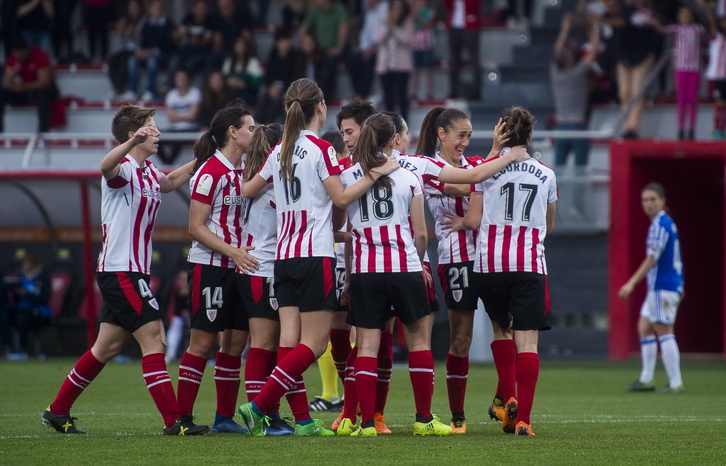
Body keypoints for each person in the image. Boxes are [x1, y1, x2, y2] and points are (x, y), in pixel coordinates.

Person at [237, 77, 400, 437]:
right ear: (321, 108)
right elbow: (341, 199)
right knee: (316, 344)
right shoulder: (320, 150)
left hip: (283, 257)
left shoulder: (279, 149)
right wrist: (377, 172)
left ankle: (302, 422)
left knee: (289, 343)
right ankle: (260, 405)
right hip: (315, 255)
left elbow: (248, 189)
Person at [41, 105, 207, 436]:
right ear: (135, 135)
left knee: (106, 348)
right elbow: (105, 166)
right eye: (151, 127)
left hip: (131, 271)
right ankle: (174, 422)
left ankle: (57, 411)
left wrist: (203, 159)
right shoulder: (125, 167)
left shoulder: (146, 170)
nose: (158, 132)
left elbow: (171, 181)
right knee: (155, 340)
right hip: (121, 271)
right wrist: (131, 144)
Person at [338, 113, 451, 437]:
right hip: (404, 268)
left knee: (368, 347)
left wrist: (348, 277)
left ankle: (367, 423)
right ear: (393, 141)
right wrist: (417, 265)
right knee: (418, 343)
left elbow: (342, 230)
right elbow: (420, 234)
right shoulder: (408, 178)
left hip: (366, 270)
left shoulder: (348, 177)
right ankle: (424, 419)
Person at [454, 106, 556, 437]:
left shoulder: (485, 171)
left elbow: (474, 218)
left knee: (502, 332)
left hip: (490, 265)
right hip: (528, 264)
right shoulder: (547, 174)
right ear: (529, 135)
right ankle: (523, 419)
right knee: (528, 343)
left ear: (503, 133)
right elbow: (548, 227)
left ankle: (506, 400)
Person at [178, 100, 258, 435]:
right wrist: (233, 252)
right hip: (211, 266)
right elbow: (195, 228)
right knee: (202, 343)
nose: (254, 133)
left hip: (241, 266)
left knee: (235, 345)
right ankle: (182, 420)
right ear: (233, 132)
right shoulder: (209, 172)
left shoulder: (247, 172)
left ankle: (223, 418)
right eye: (250, 128)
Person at [237, 123, 296, 435]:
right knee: (263, 345)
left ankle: (269, 413)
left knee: (270, 346)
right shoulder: (274, 185)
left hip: (260, 268)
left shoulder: (258, 180)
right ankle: (260, 416)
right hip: (264, 269)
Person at [618, 183, 684, 394]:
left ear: (663, 200)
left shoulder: (660, 225)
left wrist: (631, 283)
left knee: (664, 331)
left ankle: (675, 382)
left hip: (662, 287)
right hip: (665, 286)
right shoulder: (665, 223)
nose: (648, 203)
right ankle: (647, 378)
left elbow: (652, 259)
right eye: (645, 200)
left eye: (652, 199)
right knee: (644, 327)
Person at [308, 130, 348, 414]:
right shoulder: (343, 170)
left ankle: (335, 394)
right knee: (344, 327)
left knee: (337, 326)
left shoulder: (335, 172)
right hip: (342, 254)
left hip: (335, 253)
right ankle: (336, 395)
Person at [551, 12, 600, 220]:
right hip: (578, 129)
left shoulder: (556, 73)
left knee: (557, 175)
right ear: (570, 60)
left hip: (561, 129)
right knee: (581, 172)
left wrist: (564, 29)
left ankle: (555, 212)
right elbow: (594, 51)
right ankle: (577, 209)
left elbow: (557, 52)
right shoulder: (577, 71)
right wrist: (596, 26)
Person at [650, 3, 708, 140]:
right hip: (681, 69)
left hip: (694, 69)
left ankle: (692, 129)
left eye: (687, 15)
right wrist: (652, 21)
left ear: (692, 17)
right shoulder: (676, 29)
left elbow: (708, 34)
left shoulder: (697, 29)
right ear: (679, 17)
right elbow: (662, 29)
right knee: (682, 100)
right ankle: (681, 129)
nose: (685, 17)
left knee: (693, 100)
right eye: (682, 15)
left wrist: (705, 10)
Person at [0, 250, 52, 360]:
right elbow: (16, 299)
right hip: (22, 308)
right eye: (24, 263)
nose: (24, 265)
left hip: (38, 311)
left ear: (34, 263)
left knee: (21, 318)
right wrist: (15, 292)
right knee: (4, 316)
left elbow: (44, 298)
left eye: (27, 263)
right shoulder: (20, 277)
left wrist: (26, 294)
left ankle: (23, 350)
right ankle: (7, 348)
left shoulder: (42, 277)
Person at [0, 37, 59, 133]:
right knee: (1, 93)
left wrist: (23, 86)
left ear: (28, 49)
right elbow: (6, 82)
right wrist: (15, 87)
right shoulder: (14, 57)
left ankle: (43, 131)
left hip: (42, 90)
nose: (20, 56)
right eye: (18, 53)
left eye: (22, 53)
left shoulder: (40, 55)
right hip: (26, 91)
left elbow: (44, 81)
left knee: (43, 94)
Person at [127, 0, 177, 101]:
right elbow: (144, 42)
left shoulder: (168, 23)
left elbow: (169, 45)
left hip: (164, 55)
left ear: (162, 10)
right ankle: (132, 91)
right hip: (148, 53)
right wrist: (141, 51)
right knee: (133, 60)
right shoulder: (147, 24)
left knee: (151, 61)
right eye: (154, 8)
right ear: (150, 10)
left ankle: (150, 91)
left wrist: (152, 51)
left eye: (159, 8)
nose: (157, 10)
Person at [299, 0, 350, 100]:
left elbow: (343, 27)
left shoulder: (338, 8)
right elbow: (302, 29)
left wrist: (339, 47)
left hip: (336, 49)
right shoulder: (315, 10)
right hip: (319, 50)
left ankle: (328, 94)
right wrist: (302, 44)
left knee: (330, 60)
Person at [375, 0, 414, 122]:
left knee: (402, 98)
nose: (396, 11)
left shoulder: (407, 23)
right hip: (385, 67)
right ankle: (390, 127)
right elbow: (378, 39)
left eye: (399, 8)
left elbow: (407, 39)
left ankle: (404, 126)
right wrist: (388, 26)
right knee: (388, 98)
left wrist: (395, 28)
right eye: (394, 8)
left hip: (402, 67)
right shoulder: (384, 22)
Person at [256, 28, 300, 124]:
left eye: (287, 40)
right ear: (277, 43)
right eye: (283, 40)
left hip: (287, 89)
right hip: (272, 88)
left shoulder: (295, 57)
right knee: (265, 97)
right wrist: (270, 88)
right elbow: (267, 76)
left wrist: (282, 89)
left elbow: (294, 78)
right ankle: (258, 122)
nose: (286, 43)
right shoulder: (273, 57)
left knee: (280, 100)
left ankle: (268, 123)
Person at [158, 68, 201, 165]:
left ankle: (169, 165)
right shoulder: (171, 94)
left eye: (183, 78)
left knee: (179, 139)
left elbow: (192, 116)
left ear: (188, 79)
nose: (181, 80)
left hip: (191, 128)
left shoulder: (195, 93)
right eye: (179, 78)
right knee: (155, 137)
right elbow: (171, 119)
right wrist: (186, 115)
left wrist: (177, 116)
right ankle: (167, 163)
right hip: (175, 128)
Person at [443, 0, 482, 100]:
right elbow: (447, 4)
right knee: (454, 61)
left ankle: (476, 91)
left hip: (470, 27)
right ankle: (454, 91)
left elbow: (475, 4)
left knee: (474, 60)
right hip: (454, 27)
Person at [108, 0, 146, 102]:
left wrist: (131, 29)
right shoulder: (125, 20)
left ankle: (118, 89)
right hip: (126, 49)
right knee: (112, 60)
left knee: (126, 60)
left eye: (135, 7)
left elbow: (141, 39)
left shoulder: (143, 21)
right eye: (131, 7)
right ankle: (116, 88)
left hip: (138, 50)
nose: (133, 10)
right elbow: (123, 39)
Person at [174, 0, 216, 81]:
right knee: (175, 60)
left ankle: (187, 87)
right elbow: (178, 34)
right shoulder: (188, 18)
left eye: (204, 8)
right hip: (189, 50)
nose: (202, 10)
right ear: (194, 8)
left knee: (190, 63)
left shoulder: (210, 21)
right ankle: (169, 86)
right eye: (199, 7)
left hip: (203, 52)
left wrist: (198, 41)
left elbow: (207, 40)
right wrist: (178, 34)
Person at [223, 35, 264, 105]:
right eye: (237, 45)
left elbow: (257, 83)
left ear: (246, 47)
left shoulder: (253, 62)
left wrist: (243, 85)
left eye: (242, 46)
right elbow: (224, 77)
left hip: (247, 93)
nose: (239, 48)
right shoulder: (229, 61)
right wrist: (228, 81)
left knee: (239, 99)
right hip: (231, 90)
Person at [706, 4, 726, 139]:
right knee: (719, 104)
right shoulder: (716, 37)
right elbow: (711, 22)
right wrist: (706, 8)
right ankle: (718, 131)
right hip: (718, 76)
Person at [411, 0, 436, 101]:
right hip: (414, 45)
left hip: (427, 45)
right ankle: (414, 94)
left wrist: (419, 18)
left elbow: (429, 25)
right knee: (415, 71)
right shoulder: (411, 13)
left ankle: (429, 93)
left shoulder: (431, 12)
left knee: (427, 70)